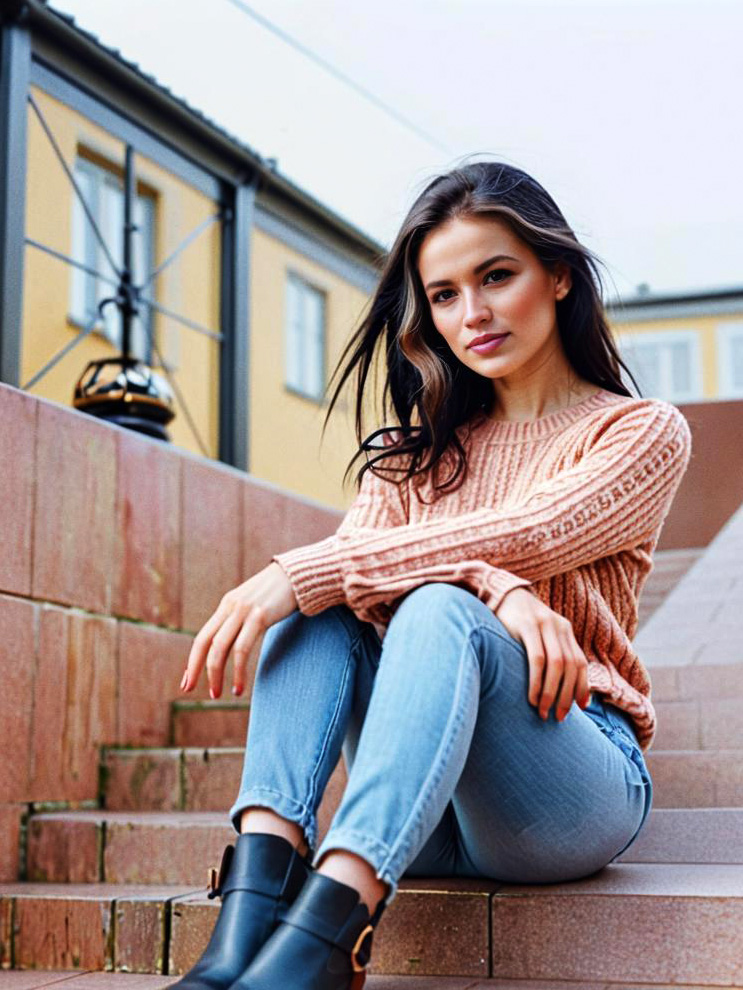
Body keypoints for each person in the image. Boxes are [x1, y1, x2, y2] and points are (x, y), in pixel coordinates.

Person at [172, 160, 692, 990]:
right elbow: (383, 584)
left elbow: (534, 531)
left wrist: (472, 586)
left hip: (563, 779)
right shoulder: (407, 456)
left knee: (378, 591)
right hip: (426, 805)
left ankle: (323, 942)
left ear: (557, 276)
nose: (471, 314)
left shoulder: (635, 433)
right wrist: (504, 592)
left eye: (495, 276)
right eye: (443, 294)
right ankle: (247, 919)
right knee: (329, 607)